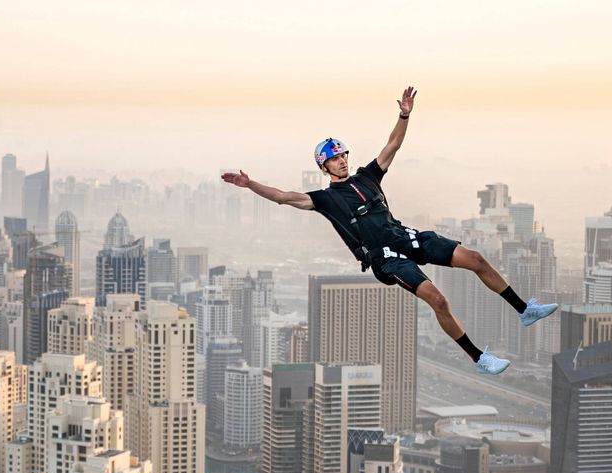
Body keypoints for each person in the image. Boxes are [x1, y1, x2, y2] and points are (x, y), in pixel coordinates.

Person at [221, 86, 555, 374]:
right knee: (437, 299)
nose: (342, 160)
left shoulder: (368, 176)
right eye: (334, 158)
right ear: (324, 166)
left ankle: (525, 310)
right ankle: (479, 358)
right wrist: (250, 185)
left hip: (408, 237)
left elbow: (393, 144)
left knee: (477, 259)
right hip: (386, 260)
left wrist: (405, 115)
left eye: (343, 155)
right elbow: (282, 197)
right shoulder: (325, 199)